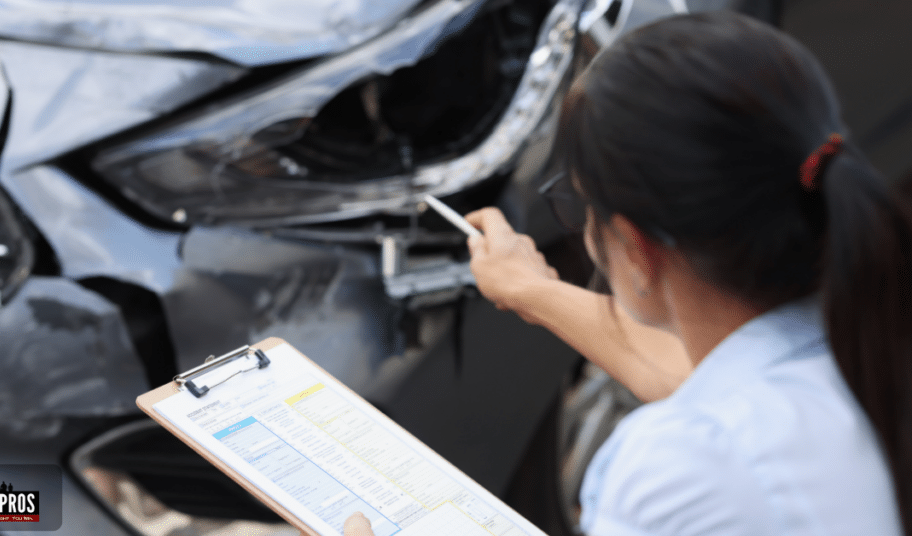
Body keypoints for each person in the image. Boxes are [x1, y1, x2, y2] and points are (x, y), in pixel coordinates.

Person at [345, 10, 910, 536]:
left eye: (578, 203)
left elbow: (710, 418)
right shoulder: (871, 354)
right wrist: (533, 290)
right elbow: (702, 382)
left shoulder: (684, 464)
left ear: (637, 247)